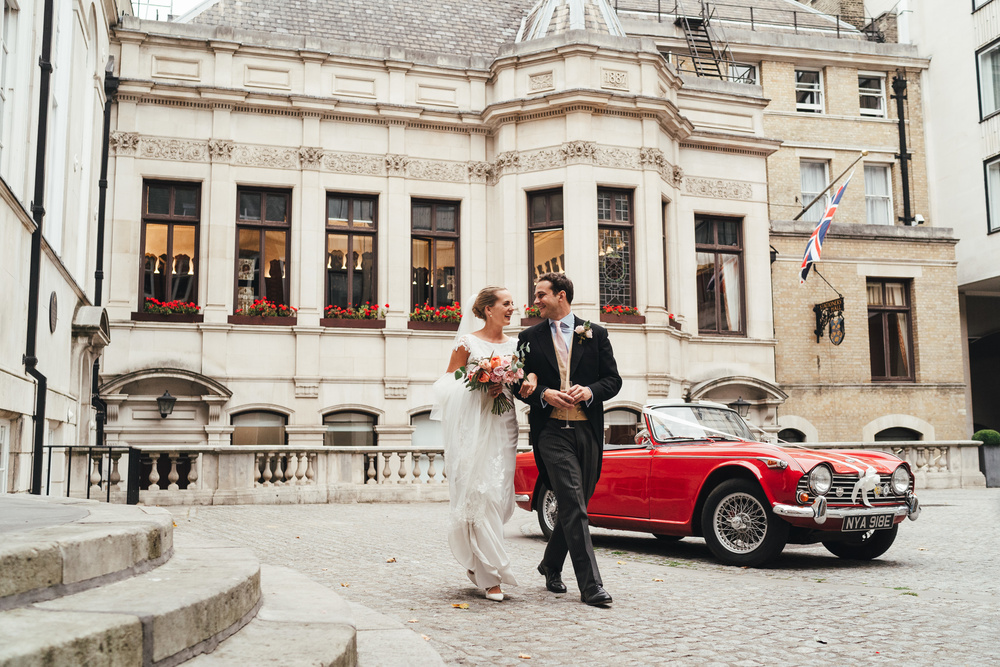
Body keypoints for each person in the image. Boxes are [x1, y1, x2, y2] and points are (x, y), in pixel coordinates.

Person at [515, 273, 622, 606]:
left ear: (561, 296)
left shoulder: (596, 333)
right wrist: (544, 394)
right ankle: (590, 585)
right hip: (550, 433)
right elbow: (516, 385)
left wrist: (589, 391)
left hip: (587, 430)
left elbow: (613, 381)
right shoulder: (528, 337)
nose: (536, 301)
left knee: (577, 503)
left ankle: (549, 564)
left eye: (541, 295)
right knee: (574, 504)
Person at [431, 287, 538, 602]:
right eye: (506, 304)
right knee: (482, 492)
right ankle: (492, 575)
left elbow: (520, 382)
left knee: (501, 497)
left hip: (505, 424)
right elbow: (445, 386)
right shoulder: (467, 343)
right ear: (488, 309)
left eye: (511, 303)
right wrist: (480, 384)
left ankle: (479, 562)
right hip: (475, 426)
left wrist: (524, 380)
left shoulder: (516, 344)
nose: (511, 308)